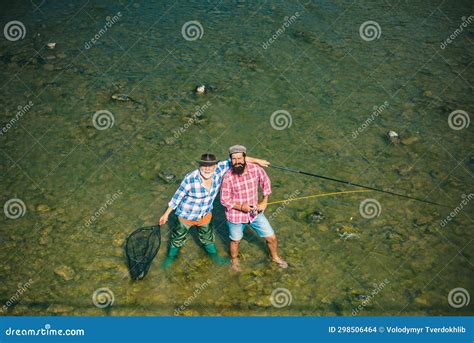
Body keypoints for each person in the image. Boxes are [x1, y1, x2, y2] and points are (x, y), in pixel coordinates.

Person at [159, 152, 269, 270]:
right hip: (186, 216)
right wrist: (166, 214)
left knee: (207, 237)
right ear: (199, 166)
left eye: (210, 166)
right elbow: (177, 197)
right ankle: (170, 257)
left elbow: (236, 159)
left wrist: (257, 160)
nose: (207, 169)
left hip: (205, 215)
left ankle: (214, 256)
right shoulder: (190, 178)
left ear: (215, 166)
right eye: (204, 165)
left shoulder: (219, 171)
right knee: (177, 238)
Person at [220, 145, 288, 272]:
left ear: (246, 158)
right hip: (235, 215)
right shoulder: (228, 176)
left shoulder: (256, 170)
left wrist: (264, 202)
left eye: (240, 158)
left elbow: (266, 184)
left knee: (271, 237)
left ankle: (274, 257)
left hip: (255, 213)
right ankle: (234, 260)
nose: (237, 161)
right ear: (231, 160)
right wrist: (241, 207)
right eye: (234, 159)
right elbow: (224, 200)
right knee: (235, 240)